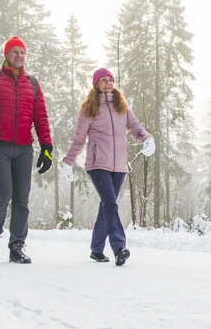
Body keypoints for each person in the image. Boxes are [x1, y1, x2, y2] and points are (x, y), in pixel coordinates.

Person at [0, 36, 53, 264]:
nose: (19, 55)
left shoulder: (32, 84)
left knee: (21, 198)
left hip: (24, 148)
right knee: (4, 192)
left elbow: (41, 117)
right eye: (15, 51)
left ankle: (17, 246)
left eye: (22, 52)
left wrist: (46, 147)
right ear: (6, 54)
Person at [61, 67, 154, 266]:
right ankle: (119, 247)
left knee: (106, 206)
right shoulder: (89, 108)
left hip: (119, 166)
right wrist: (69, 162)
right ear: (96, 83)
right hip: (98, 165)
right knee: (111, 204)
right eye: (103, 80)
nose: (108, 83)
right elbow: (79, 139)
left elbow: (135, 126)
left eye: (111, 80)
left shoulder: (122, 106)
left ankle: (96, 250)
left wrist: (147, 138)